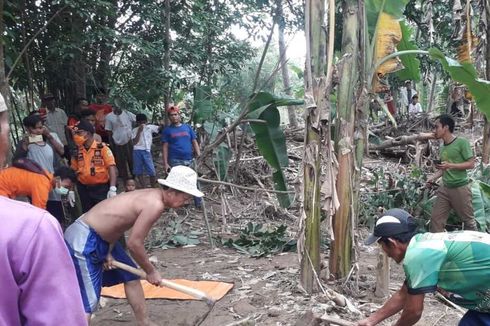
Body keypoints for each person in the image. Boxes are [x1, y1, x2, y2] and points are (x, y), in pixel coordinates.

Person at [64, 165, 204, 325]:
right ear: (172, 192)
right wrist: (151, 271)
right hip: (84, 238)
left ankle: (144, 322)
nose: (185, 202)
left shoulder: (153, 195)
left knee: (131, 276)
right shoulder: (155, 205)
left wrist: (108, 251)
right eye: (185, 198)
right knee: (89, 301)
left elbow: (117, 225)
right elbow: (134, 243)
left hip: (102, 238)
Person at [0, 93, 86, 324]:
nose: (40, 129)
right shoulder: (40, 184)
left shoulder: (50, 148)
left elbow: (62, 153)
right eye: (37, 127)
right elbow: (39, 210)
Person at [357, 208, 490, 326]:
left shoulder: (418, 255)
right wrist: (371, 321)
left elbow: (414, 312)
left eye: (382, 245)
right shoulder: (424, 245)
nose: (384, 252)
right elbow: (403, 294)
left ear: (392, 243)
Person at [427, 114, 477, 232]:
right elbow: (443, 169)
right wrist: (432, 178)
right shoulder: (443, 147)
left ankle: (477, 246)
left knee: (468, 221)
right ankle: (438, 247)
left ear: (446, 127)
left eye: (437, 127)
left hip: (460, 188)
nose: (435, 130)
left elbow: (471, 164)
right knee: (436, 219)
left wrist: (451, 165)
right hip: (445, 188)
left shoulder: (461, 142)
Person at [14, 114, 67, 221]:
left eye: (41, 127)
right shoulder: (24, 144)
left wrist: (60, 184)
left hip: (52, 185)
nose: (39, 131)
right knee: (41, 217)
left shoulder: (48, 143)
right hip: (35, 187)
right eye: (36, 128)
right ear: (28, 129)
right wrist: (25, 146)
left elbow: (58, 160)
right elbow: (17, 162)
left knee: (57, 217)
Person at [71, 119, 117, 213]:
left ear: (87, 134)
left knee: (104, 214)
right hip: (83, 189)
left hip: (100, 188)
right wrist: (71, 190)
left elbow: (111, 167)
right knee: (87, 214)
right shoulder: (77, 152)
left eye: (79, 133)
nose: (76, 136)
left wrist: (112, 188)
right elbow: (73, 171)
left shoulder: (102, 148)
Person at [161, 105, 201, 207]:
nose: (174, 117)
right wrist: (165, 163)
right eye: (171, 115)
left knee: (193, 179)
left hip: (189, 158)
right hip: (175, 159)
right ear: (169, 117)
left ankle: (198, 203)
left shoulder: (187, 127)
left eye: (175, 114)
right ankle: (179, 203)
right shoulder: (167, 130)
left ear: (179, 115)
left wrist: (199, 153)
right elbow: (165, 147)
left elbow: (194, 141)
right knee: (178, 182)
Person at [0, 163, 76, 211]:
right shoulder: (43, 185)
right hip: (3, 187)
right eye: (65, 186)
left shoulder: (45, 175)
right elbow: (39, 211)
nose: (65, 190)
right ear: (58, 179)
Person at [105, 104, 136, 180]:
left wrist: (132, 131)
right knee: (120, 160)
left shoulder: (127, 113)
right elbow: (109, 131)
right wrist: (111, 142)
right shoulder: (109, 117)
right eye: (115, 106)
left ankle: (134, 175)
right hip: (117, 141)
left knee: (131, 158)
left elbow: (136, 120)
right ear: (113, 107)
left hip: (128, 139)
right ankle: (124, 177)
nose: (118, 107)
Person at [132, 113, 160, 187]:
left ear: (146, 122)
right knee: (138, 170)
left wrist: (162, 125)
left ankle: (153, 187)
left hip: (147, 151)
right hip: (137, 151)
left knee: (152, 171)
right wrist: (139, 131)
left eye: (144, 122)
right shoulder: (134, 130)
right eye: (140, 122)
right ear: (137, 123)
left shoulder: (150, 128)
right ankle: (144, 187)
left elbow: (159, 129)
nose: (142, 124)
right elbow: (134, 142)